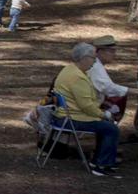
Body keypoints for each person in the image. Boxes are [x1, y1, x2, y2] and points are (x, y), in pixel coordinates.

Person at [52, 43, 121, 176]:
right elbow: (86, 106)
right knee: (111, 129)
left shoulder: (69, 70)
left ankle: (98, 160)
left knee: (106, 126)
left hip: (64, 115)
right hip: (73, 118)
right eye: (93, 58)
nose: (94, 62)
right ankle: (102, 165)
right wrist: (104, 114)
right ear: (83, 58)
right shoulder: (78, 77)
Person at [85, 35, 132, 120]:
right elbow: (107, 88)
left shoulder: (97, 64)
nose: (114, 54)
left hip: (89, 102)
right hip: (87, 107)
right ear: (99, 51)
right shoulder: (95, 66)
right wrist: (136, 91)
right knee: (112, 128)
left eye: (114, 51)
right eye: (111, 51)